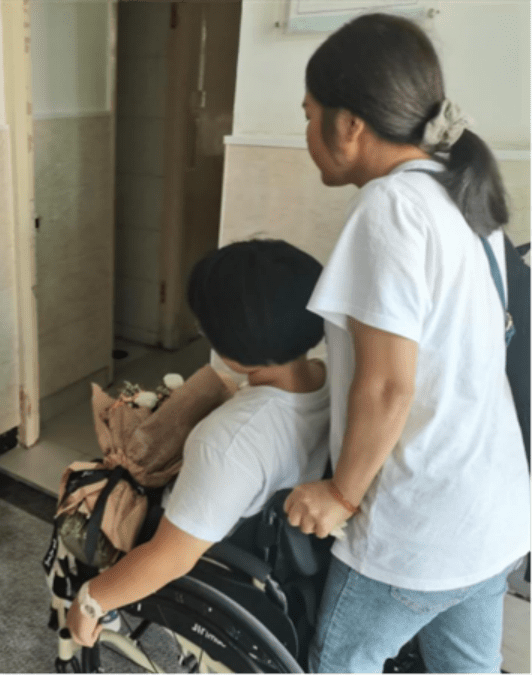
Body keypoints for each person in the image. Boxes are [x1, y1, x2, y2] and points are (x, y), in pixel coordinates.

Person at [282, 13, 531, 674]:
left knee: (340, 664)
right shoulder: (460, 192)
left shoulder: (389, 207)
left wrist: (339, 495)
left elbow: (389, 385)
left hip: (419, 528)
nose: (307, 132)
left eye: (308, 115)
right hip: (493, 513)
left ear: (349, 124)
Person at [67, 239, 330, 646]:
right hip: (289, 543)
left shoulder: (228, 439)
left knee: (94, 496)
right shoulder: (331, 379)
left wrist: (91, 601)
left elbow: (171, 557)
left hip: (217, 548)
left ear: (231, 344)